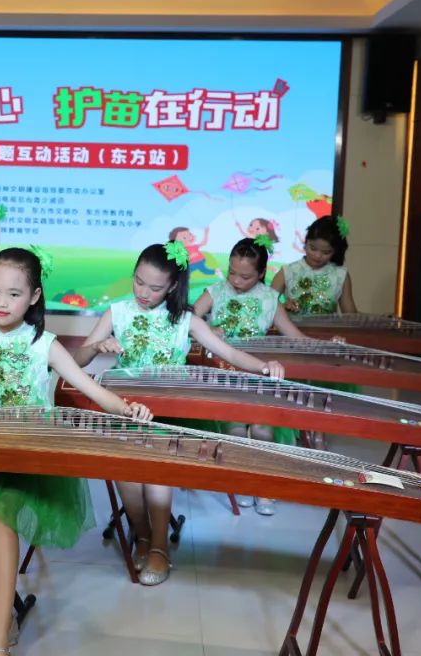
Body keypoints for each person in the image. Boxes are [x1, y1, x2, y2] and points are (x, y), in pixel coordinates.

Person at [0, 247, 153, 655]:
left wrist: (129, 409)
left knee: (0, 520)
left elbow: (93, 390)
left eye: (14, 294)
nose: (1, 302)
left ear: (35, 296)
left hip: (22, 458)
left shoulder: (44, 344)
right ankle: (2, 614)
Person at [72, 242, 284, 584]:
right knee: (127, 476)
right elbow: (77, 361)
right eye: (138, 281)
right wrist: (96, 346)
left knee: (157, 473)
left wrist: (264, 366)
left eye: (155, 287)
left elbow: (228, 353)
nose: (143, 292)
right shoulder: (117, 312)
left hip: (166, 413)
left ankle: (159, 547)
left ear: (172, 286)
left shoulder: (185, 319)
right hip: (125, 409)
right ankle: (142, 537)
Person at [192, 235, 306, 515]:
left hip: (259, 373)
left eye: (245, 276)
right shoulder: (215, 291)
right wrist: (206, 329)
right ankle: (241, 481)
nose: (235, 280)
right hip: (223, 373)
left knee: (262, 429)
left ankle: (263, 486)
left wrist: (330, 346)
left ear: (261, 273)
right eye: (231, 272)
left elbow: (295, 336)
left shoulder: (269, 298)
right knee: (235, 429)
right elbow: (186, 321)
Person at [272, 215, 357, 314]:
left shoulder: (340, 275)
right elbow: (268, 305)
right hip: (291, 324)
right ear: (305, 242)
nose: (317, 256)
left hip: (328, 325)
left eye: (326, 252)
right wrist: (283, 306)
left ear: (335, 251)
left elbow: (350, 315)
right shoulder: (288, 271)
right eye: (313, 248)